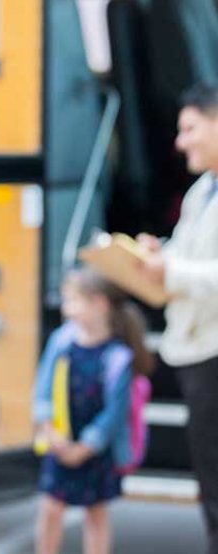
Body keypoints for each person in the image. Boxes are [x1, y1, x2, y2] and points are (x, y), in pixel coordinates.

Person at [138, 83, 218, 554]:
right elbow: (190, 257)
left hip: (212, 352)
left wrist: (171, 268)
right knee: (209, 479)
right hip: (197, 351)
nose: (180, 142)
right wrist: (158, 256)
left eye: (190, 128)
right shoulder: (200, 191)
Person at [33, 268, 154, 554]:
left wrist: (85, 447)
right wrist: (51, 432)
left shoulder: (118, 357)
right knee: (51, 508)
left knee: (96, 513)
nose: (67, 309)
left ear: (99, 303)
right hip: (60, 442)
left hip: (95, 450)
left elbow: (115, 413)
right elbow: (43, 389)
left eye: (74, 301)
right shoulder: (61, 342)